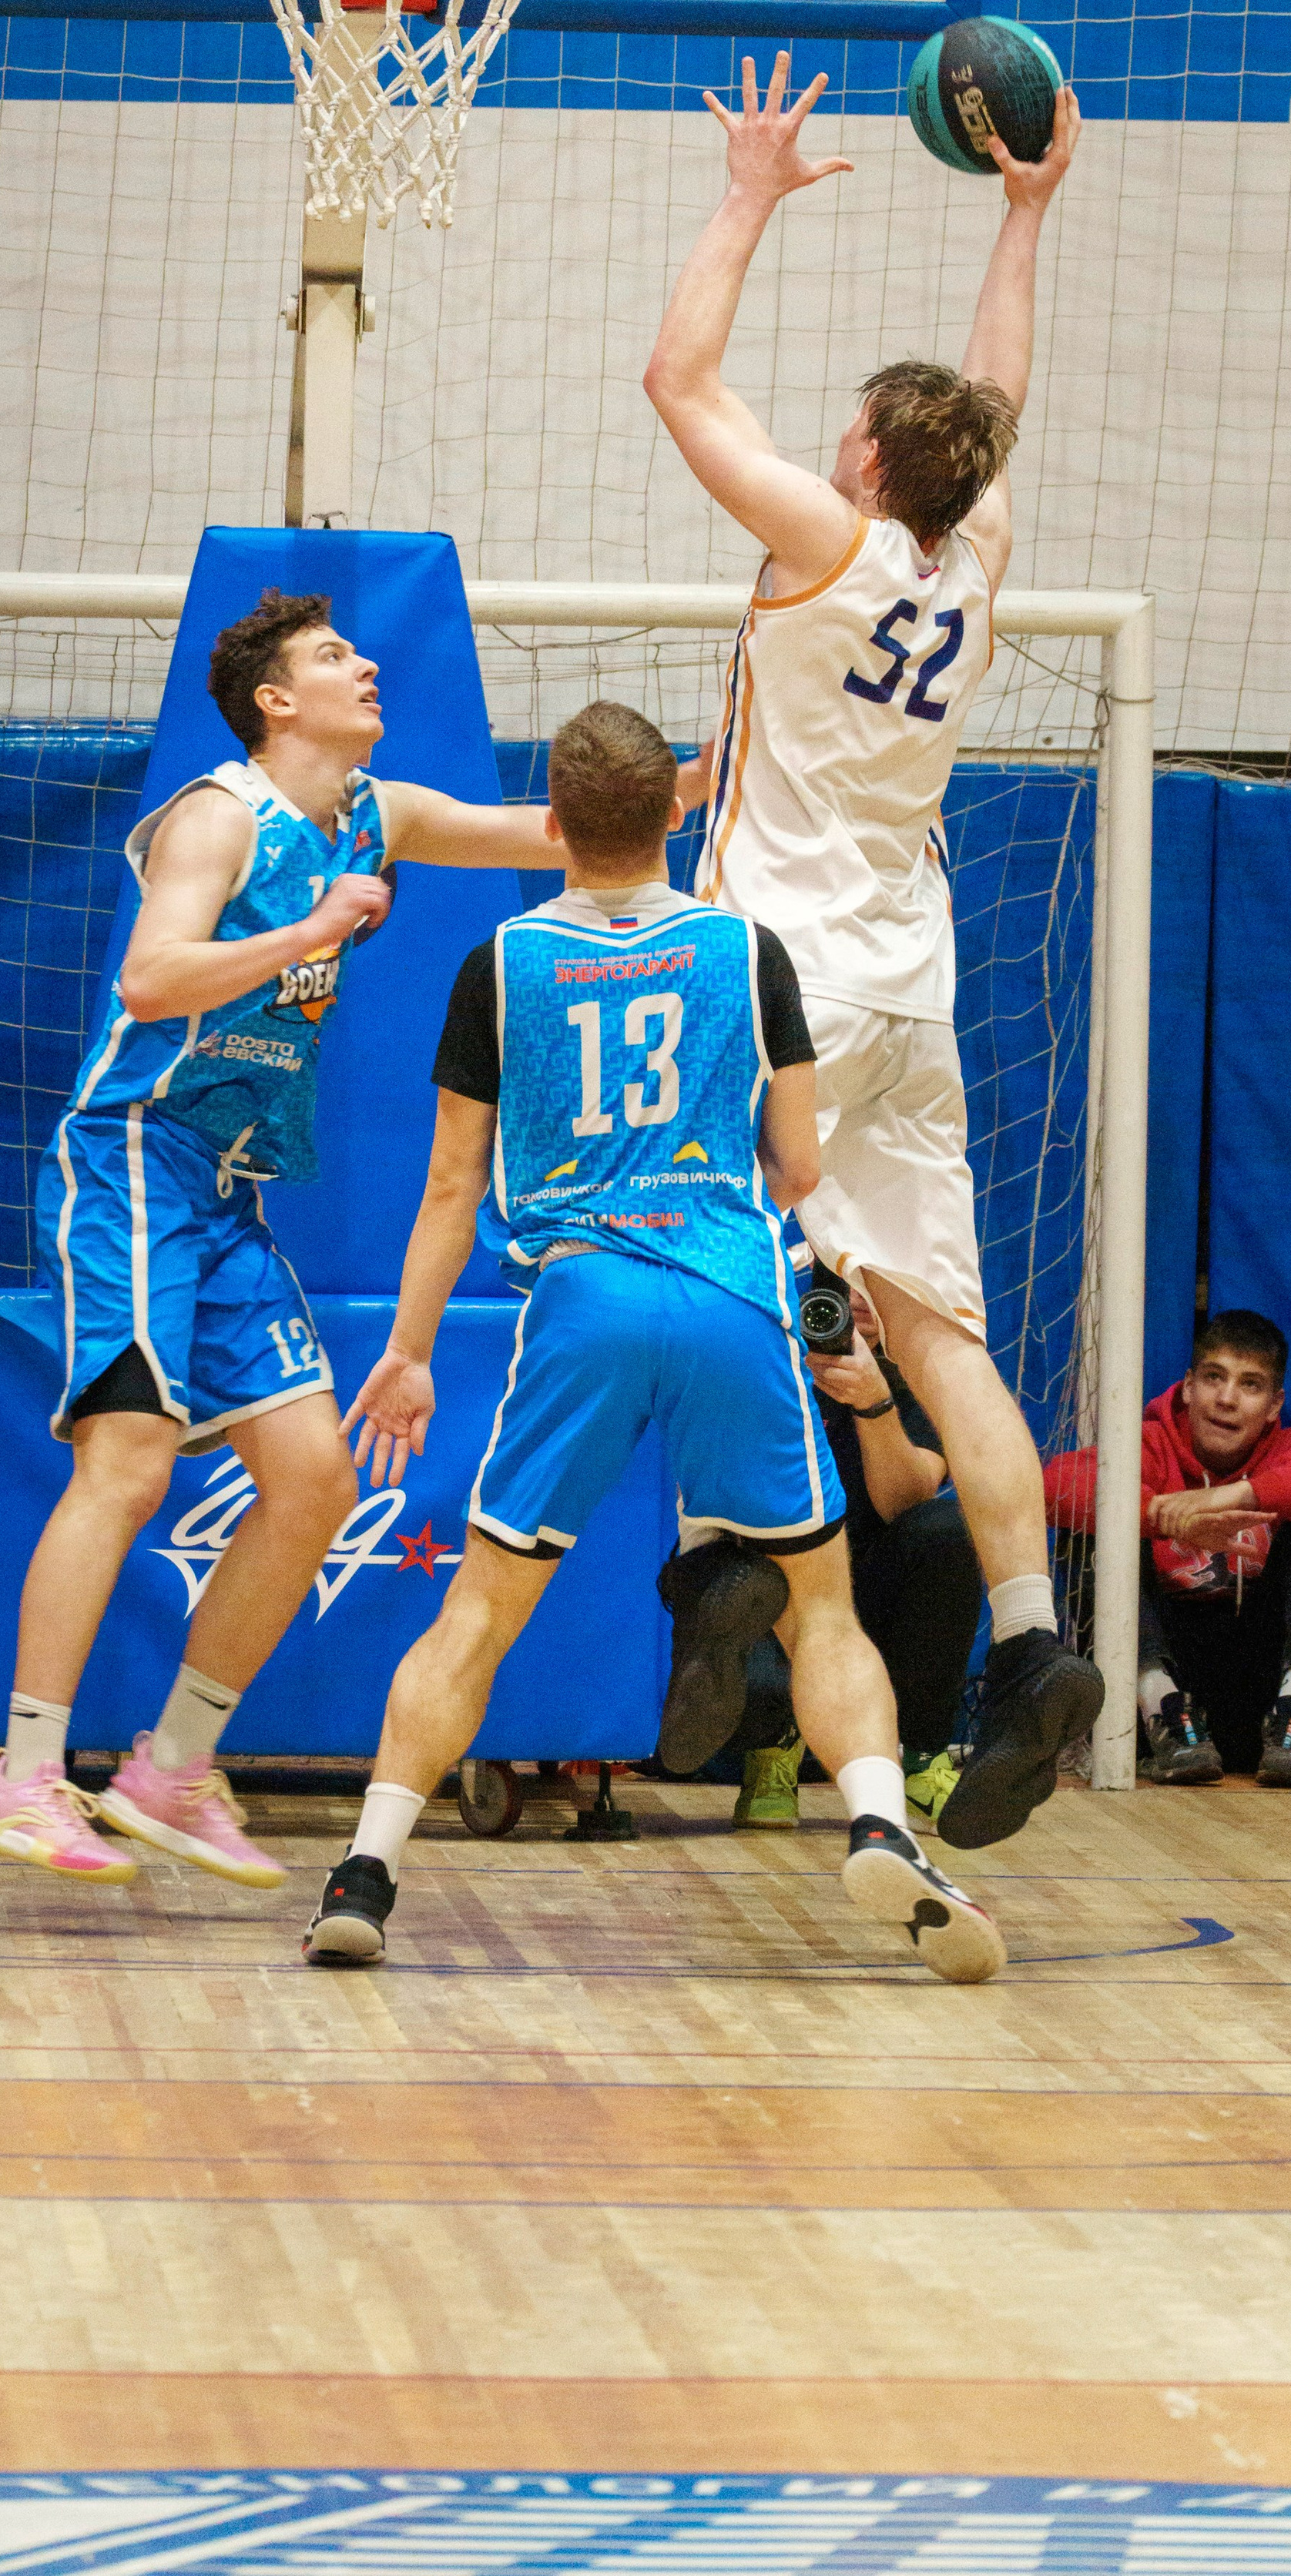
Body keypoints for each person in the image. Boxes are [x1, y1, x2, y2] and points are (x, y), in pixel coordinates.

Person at [305, 702, 1006, 1985]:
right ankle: (880, 1827)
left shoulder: (499, 963)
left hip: (586, 1299)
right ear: (672, 816)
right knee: (822, 1607)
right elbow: (801, 1165)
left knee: (479, 1610)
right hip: (733, 1289)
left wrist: (407, 1351)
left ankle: (366, 1872)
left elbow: (452, 1185)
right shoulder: (747, 950)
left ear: (555, 826)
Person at [640, 49, 1098, 1852]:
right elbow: (997, 400)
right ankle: (1029, 1641)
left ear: (859, 459)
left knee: (690, 1246)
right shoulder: (973, 556)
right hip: (913, 979)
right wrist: (1021, 215)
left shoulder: (822, 541)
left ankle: (715, 1562)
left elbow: (677, 382)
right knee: (943, 1335)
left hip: (780, 975)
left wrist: (746, 195)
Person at [0, 586, 556, 1884]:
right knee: (128, 1465)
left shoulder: (378, 811)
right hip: (134, 1159)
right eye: (336, 655)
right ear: (277, 700)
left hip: (227, 1192)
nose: (368, 663)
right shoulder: (220, 815)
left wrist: (720, 772)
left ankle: (171, 1769)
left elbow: (560, 827)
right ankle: (24, 1774)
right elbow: (149, 979)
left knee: (316, 1481)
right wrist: (312, 929)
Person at [666, 1284, 984, 1831]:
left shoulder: (920, 1373)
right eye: (846, 1279)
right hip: (765, 1577)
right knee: (748, 1580)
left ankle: (921, 1757)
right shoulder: (767, 1351)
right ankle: (771, 1748)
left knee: (946, 1533)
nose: (861, 1296)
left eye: (876, 1279)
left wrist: (873, 1401)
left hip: (864, 1595)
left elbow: (904, 1499)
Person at [1043, 1311, 1291, 1786]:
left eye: (1250, 1385)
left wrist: (1231, 1496)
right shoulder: (1148, 1444)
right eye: (1214, 1377)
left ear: (1275, 1406)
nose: (1227, 1399)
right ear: (1187, 1387)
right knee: (1095, 1523)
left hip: (1260, 1690)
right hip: (1156, 1686)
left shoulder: (1284, 1453)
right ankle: (1162, 1707)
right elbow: (1055, 1484)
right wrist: (1163, 1515)